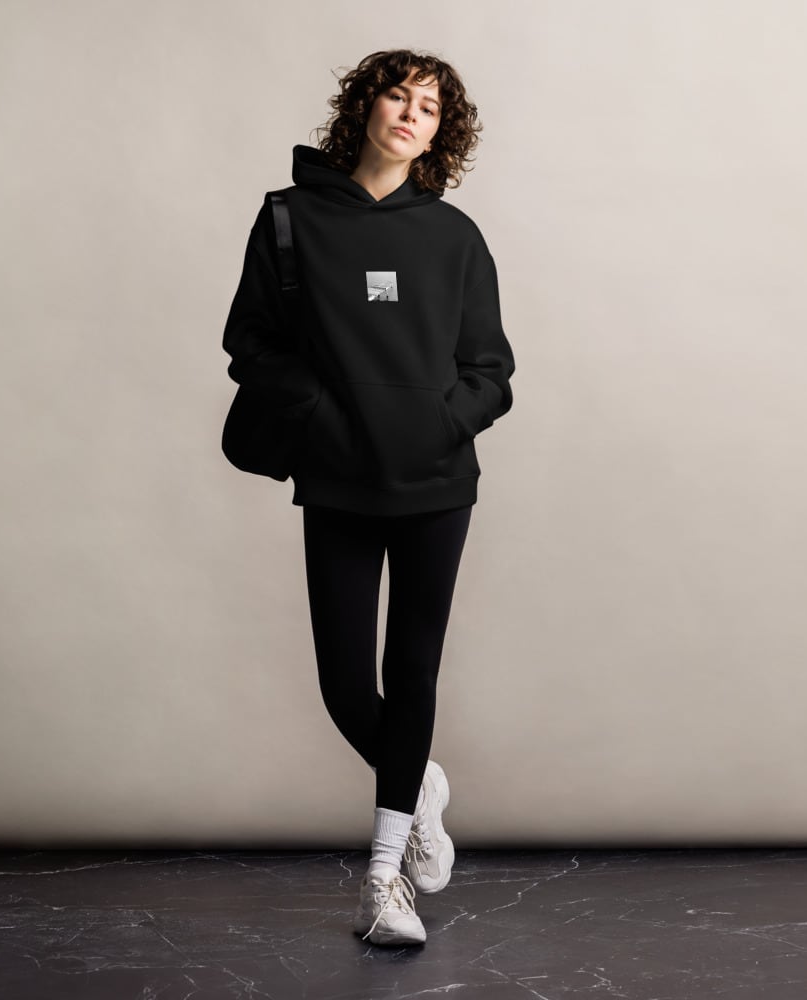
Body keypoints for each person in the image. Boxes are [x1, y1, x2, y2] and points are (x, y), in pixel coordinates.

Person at [222, 49, 516, 946]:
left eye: (430, 107)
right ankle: (419, 782)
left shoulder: (455, 236)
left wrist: (438, 424)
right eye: (398, 94)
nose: (411, 113)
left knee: (412, 672)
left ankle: (384, 881)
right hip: (340, 476)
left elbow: (491, 370)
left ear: (439, 135)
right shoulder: (289, 219)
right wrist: (323, 415)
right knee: (347, 684)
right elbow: (249, 344)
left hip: (437, 484)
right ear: (366, 106)